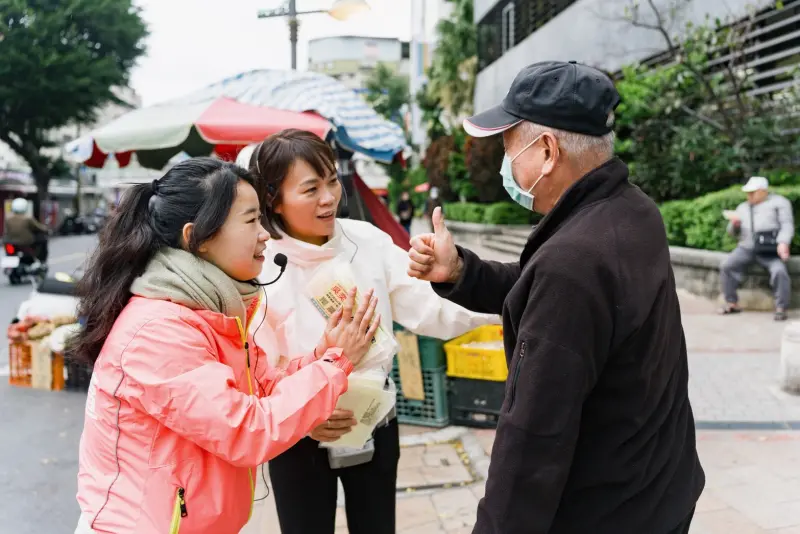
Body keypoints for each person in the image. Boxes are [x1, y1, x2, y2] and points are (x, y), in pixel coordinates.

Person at [408, 61, 704, 534]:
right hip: (659, 486)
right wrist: (461, 270)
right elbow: (543, 288)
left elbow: (532, 438)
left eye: (508, 146)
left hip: (607, 512)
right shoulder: (631, 210)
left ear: (547, 151)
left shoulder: (574, 261)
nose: (505, 162)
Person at [69, 158, 381, 534]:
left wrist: (321, 357)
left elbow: (263, 386)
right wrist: (334, 365)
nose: (264, 235)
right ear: (197, 238)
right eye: (250, 221)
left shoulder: (208, 313)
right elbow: (246, 430)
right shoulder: (158, 331)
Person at [238, 129, 498, 534]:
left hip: (374, 419)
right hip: (297, 437)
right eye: (310, 189)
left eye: (332, 181)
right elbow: (250, 363)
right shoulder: (259, 264)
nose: (329, 197)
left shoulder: (367, 242)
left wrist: (503, 303)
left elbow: (430, 306)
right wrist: (300, 416)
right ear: (274, 199)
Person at [720, 176, 794, 321]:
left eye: (752, 192)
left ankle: (781, 307)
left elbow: (787, 225)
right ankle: (732, 303)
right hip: (746, 247)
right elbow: (732, 233)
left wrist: (783, 242)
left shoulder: (779, 203)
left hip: (768, 249)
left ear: (763, 191)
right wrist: (734, 225)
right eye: (748, 192)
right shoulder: (742, 207)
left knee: (779, 271)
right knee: (727, 266)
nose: (749, 195)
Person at [3, 197, 50, 262]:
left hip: (10, 242)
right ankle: (42, 260)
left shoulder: (8, 218)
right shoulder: (28, 218)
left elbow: (6, 231)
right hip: (26, 243)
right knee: (43, 239)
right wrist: (46, 229)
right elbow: (38, 227)